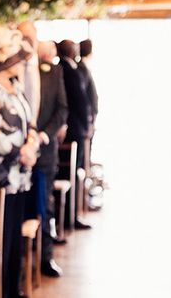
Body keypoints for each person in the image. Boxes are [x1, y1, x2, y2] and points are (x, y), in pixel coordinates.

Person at [0, 26, 40, 298]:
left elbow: (29, 123)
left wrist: (32, 142)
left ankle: (13, 288)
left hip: (20, 178)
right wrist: (21, 151)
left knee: (13, 238)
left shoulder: (14, 87)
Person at [35, 40, 68, 277]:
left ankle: (46, 256)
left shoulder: (55, 72)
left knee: (45, 204)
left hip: (45, 151)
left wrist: (45, 135)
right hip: (15, 155)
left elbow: (62, 108)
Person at [57, 39, 92, 230]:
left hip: (73, 128)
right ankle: (70, 217)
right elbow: (80, 100)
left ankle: (70, 215)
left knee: (71, 172)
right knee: (70, 172)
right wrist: (87, 124)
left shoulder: (70, 68)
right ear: (70, 51)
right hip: (73, 129)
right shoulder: (69, 71)